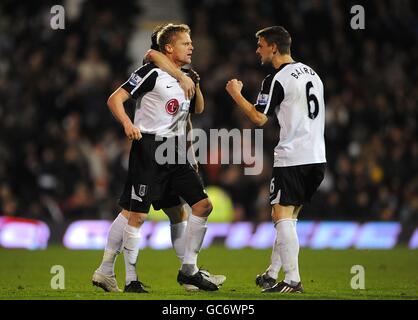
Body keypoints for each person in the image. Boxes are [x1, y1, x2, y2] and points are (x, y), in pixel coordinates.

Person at [93, 23, 221, 293]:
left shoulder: (184, 78)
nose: (192, 47)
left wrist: (190, 150)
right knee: (134, 215)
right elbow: (115, 99)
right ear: (169, 48)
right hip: (149, 148)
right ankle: (120, 275)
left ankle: (189, 270)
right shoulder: (151, 71)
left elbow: (190, 115)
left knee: (197, 207)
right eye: (186, 43)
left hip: (175, 151)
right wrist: (128, 124)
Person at [226, 26, 326, 293]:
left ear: (273, 46)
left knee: (282, 217)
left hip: (293, 156)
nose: (257, 50)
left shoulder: (277, 78)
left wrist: (236, 94)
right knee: (286, 218)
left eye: (260, 45)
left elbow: (259, 118)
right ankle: (272, 273)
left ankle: (292, 280)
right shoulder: (312, 74)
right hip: (317, 156)